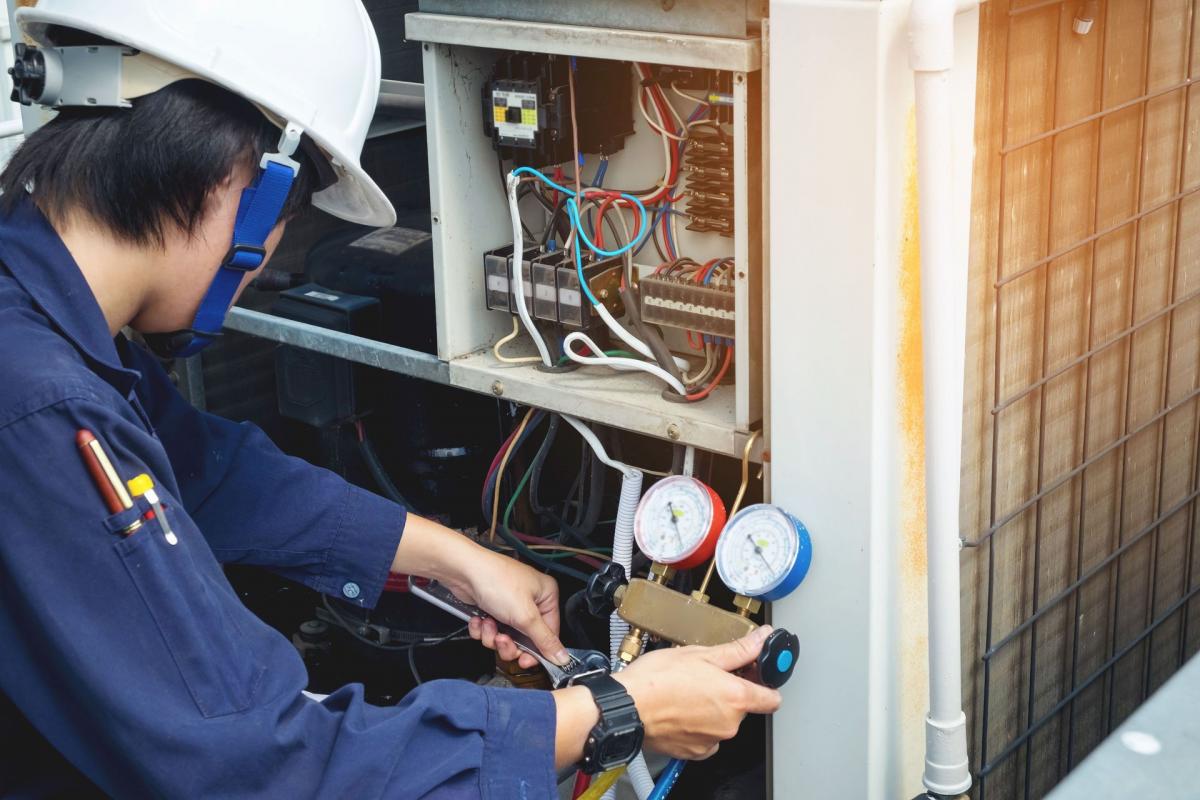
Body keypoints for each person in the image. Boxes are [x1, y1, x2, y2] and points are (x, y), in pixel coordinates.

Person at [0, 1, 782, 797]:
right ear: (249, 178)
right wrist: (612, 713)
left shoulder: (45, 328)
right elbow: (262, 765)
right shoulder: (42, 408)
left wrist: (458, 560)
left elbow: (213, 473)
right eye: (291, 214)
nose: (263, 264)